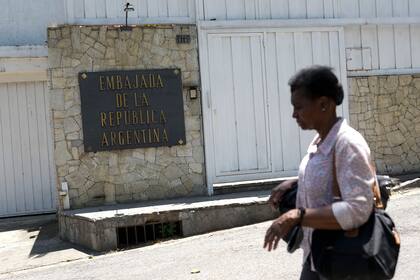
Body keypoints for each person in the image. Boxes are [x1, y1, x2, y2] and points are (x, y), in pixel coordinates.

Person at [263, 65, 375, 280]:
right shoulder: (320, 142)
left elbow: (359, 208)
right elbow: (333, 176)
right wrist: (296, 182)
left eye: (299, 107)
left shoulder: (347, 143)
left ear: (323, 104)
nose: (294, 114)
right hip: (318, 256)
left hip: (344, 260)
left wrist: (296, 216)